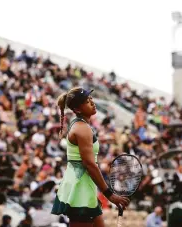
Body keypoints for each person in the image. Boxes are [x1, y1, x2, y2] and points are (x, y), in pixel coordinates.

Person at [51, 87, 129, 227]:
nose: (92, 103)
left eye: (91, 99)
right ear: (78, 109)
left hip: (83, 185)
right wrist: (110, 195)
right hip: (81, 188)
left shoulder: (82, 125)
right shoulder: (82, 128)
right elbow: (90, 164)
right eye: (87, 101)